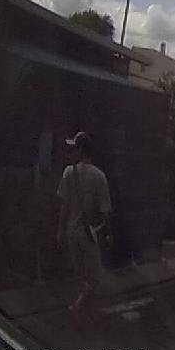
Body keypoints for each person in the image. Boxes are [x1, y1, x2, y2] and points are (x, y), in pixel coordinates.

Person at [56, 131, 111, 320]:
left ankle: (88, 310)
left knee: (81, 274)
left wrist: (60, 230)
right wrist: (108, 233)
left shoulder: (68, 172)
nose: (72, 152)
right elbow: (105, 210)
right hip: (89, 233)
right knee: (95, 276)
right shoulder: (99, 176)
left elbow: (64, 205)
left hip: (71, 231)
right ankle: (78, 306)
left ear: (81, 150)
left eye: (74, 148)